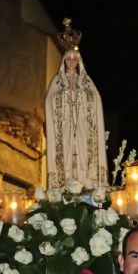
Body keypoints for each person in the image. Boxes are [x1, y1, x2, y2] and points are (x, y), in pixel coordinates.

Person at [45, 48, 107, 189]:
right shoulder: (57, 81)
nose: (71, 62)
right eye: (69, 59)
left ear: (79, 62)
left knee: (84, 152)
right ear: (64, 61)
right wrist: (66, 92)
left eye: (74, 59)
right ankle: (65, 184)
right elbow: (51, 100)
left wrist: (80, 93)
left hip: (82, 126)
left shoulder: (85, 81)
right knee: (65, 153)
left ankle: (86, 182)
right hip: (65, 127)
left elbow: (95, 98)